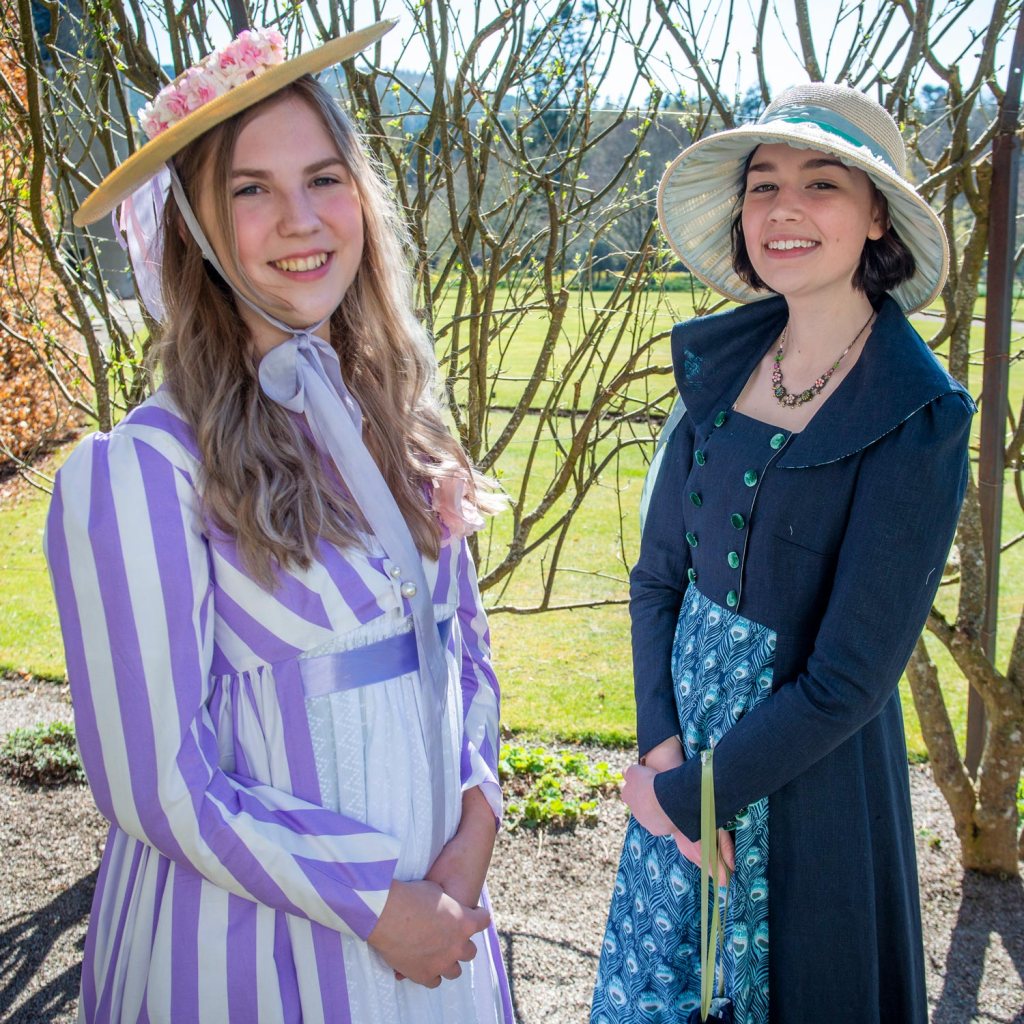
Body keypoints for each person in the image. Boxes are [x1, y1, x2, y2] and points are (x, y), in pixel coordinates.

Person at [44, 21, 515, 1024]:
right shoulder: (143, 472)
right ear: (194, 230)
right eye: (250, 190)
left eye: (323, 178)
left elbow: (463, 649)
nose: (301, 220)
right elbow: (157, 786)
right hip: (256, 960)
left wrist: (473, 834)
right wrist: (377, 907)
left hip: (441, 927)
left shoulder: (401, 429)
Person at [591, 83, 973, 1024]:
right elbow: (657, 579)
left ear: (876, 216)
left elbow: (848, 680)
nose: (784, 208)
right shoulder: (722, 369)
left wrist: (696, 796)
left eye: (822, 184)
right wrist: (665, 765)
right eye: (763, 185)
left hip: (812, 786)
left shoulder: (917, 417)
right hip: (677, 772)